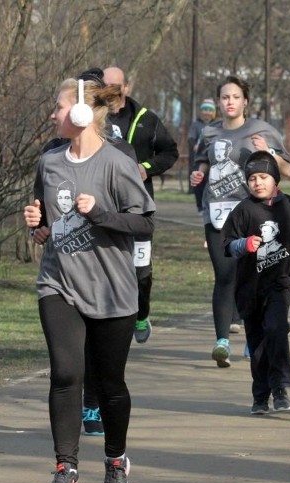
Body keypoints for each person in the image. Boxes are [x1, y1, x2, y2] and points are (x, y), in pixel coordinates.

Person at [24, 75, 155, 483]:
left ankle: (115, 461)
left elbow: (144, 223)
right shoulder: (49, 162)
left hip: (112, 290)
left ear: (81, 113)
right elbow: (46, 217)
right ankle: (66, 468)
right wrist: (37, 227)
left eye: (58, 107)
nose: (52, 115)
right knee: (66, 374)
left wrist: (100, 213)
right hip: (59, 283)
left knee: (110, 382)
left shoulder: (118, 163)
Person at [190, 75, 290, 368]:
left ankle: (253, 336)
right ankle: (222, 341)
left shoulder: (262, 130)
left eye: (235, 97)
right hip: (218, 214)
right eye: (225, 97)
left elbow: (285, 169)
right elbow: (203, 162)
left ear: (245, 101)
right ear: (219, 101)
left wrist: (269, 151)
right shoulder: (209, 132)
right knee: (224, 276)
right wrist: (198, 174)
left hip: (253, 213)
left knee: (252, 277)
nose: (230, 102)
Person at [222, 151, 290, 414]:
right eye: (252, 178)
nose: (258, 183)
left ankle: (281, 385)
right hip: (250, 287)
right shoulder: (243, 210)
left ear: (275, 179)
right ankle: (260, 397)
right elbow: (227, 245)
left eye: (263, 177)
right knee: (258, 345)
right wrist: (244, 244)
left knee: (276, 327)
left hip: (281, 282)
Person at [104, 66, 179, 345]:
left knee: (141, 271)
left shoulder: (146, 119)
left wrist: (146, 168)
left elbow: (170, 152)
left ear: (126, 88)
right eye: (105, 85)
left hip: (139, 208)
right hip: (105, 208)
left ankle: (141, 314)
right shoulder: (93, 119)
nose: (110, 90)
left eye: (115, 85)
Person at [188, 98, 217, 210]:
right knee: (198, 183)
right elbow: (191, 138)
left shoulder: (216, 125)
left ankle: (210, 205)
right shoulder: (196, 125)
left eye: (209, 110)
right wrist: (195, 145)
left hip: (211, 159)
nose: (207, 112)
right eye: (204, 110)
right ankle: (200, 205)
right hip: (198, 159)